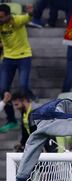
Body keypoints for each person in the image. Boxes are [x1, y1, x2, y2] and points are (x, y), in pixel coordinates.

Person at [0, 4, 33, 132]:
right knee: (3, 90)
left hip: (24, 56)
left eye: (2, 17)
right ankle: (12, 120)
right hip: (8, 58)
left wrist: (30, 13)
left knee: (23, 87)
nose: (0, 20)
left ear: (8, 15)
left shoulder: (17, 20)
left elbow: (28, 17)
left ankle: (27, 117)